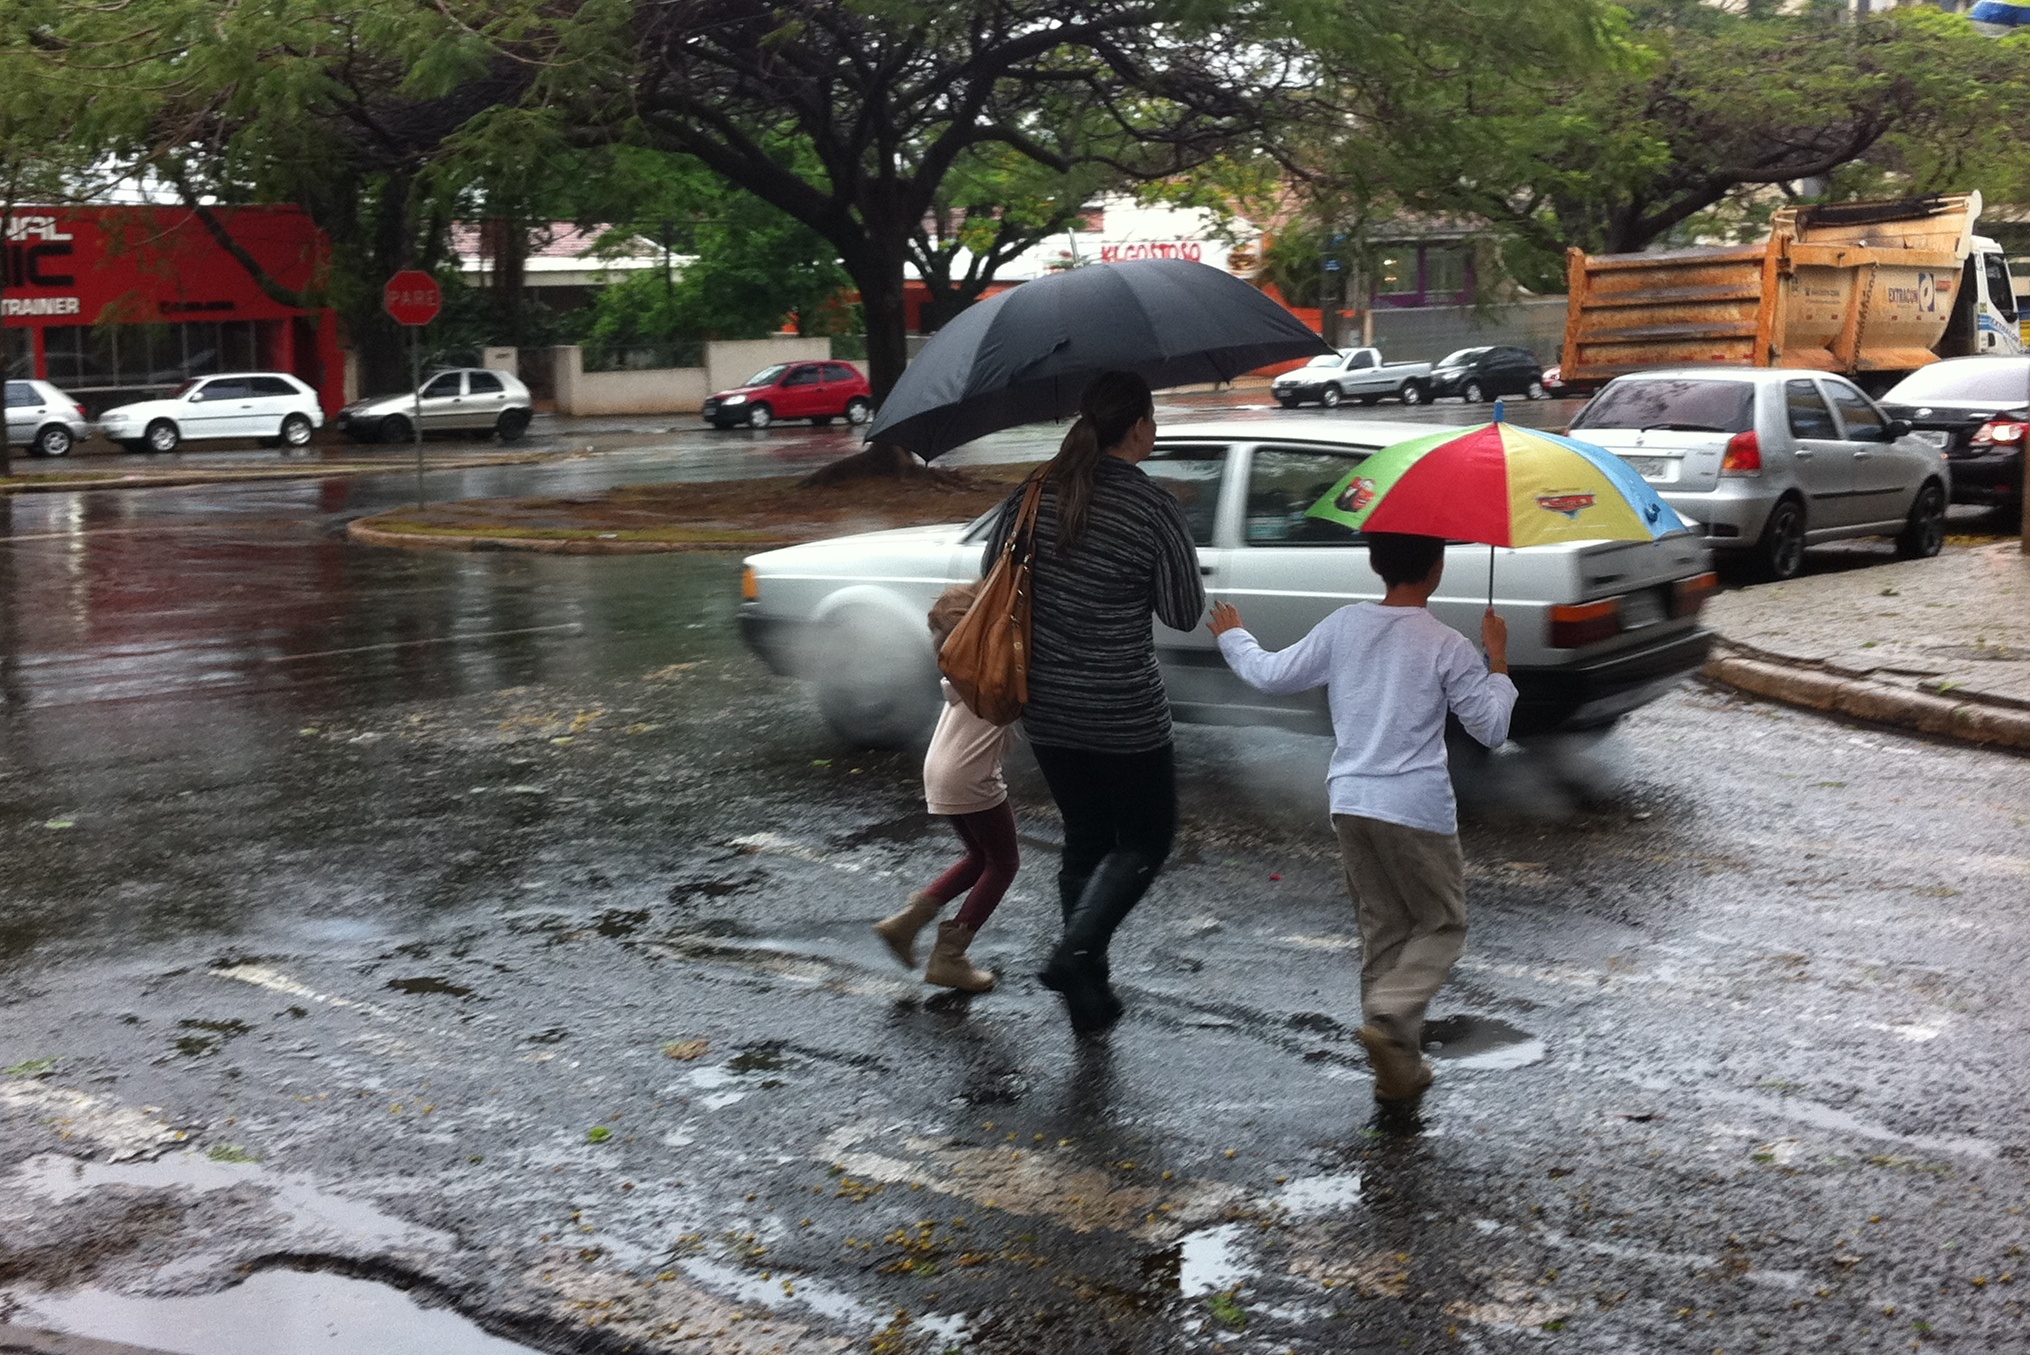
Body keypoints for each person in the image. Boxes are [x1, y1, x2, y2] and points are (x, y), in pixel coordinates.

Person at [1207, 532, 1515, 1108]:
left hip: (1351, 802)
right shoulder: (1446, 644)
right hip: (1416, 808)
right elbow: (1492, 728)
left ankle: (1397, 1070)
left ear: (1377, 563)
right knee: (1441, 925)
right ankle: (1391, 1014)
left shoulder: (1344, 624)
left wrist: (1234, 636)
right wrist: (1496, 657)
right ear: (1437, 567)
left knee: (1383, 929)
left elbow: (1272, 674)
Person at [984, 371, 1205, 1035]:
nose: (1155, 428)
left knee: (1085, 838)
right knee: (1145, 840)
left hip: (1047, 708)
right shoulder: (1152, 506)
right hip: (1124, 710)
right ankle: (1075, 955)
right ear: (1138, 427)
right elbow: (1183, 611)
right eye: (1153, 417)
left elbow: (992, 578)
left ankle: (1089, 994)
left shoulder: (1032, 492)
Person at [872, 583, 1019, 992]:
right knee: (1004, 865)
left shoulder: (964, 671)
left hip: (941, 770)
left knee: (979, 857)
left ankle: (906, 924)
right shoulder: (996, 671)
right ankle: (949, 957)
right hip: (970, 776)